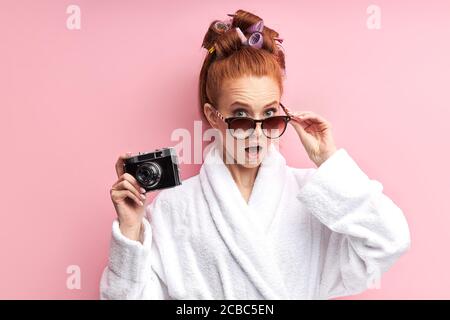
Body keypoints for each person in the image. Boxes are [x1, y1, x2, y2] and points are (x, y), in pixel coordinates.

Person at [100, 9, 410, 300]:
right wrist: (129, 228)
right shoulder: (174, 209)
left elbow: (390, 241)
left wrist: (328, 163)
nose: (258, 134)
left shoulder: (317, 196)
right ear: (212, 115)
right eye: (241, 117)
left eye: (271, 116)